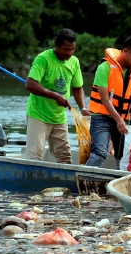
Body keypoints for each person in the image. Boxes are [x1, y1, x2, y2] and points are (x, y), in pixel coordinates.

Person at [24, 28, 87, 164]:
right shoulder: (43, 59)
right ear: (57, 46)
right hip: (38, 114)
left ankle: (63, 185)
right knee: (34, 156)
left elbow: (77, 88)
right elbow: (30, 84)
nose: (70, 53)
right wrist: (55, 96)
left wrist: (83, 108)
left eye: (72, 49)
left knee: (65, 157)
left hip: (59, 117)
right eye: (66, 49)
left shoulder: (74, 62)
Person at [86, 35, 131, 168]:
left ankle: (118, 184)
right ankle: (84, 180)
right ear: (125, 51)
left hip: (124, 120)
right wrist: (119, 120)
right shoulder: (104, 68)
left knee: (123, 156)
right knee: (99, 154)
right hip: (101, 118)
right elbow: (104, 99)